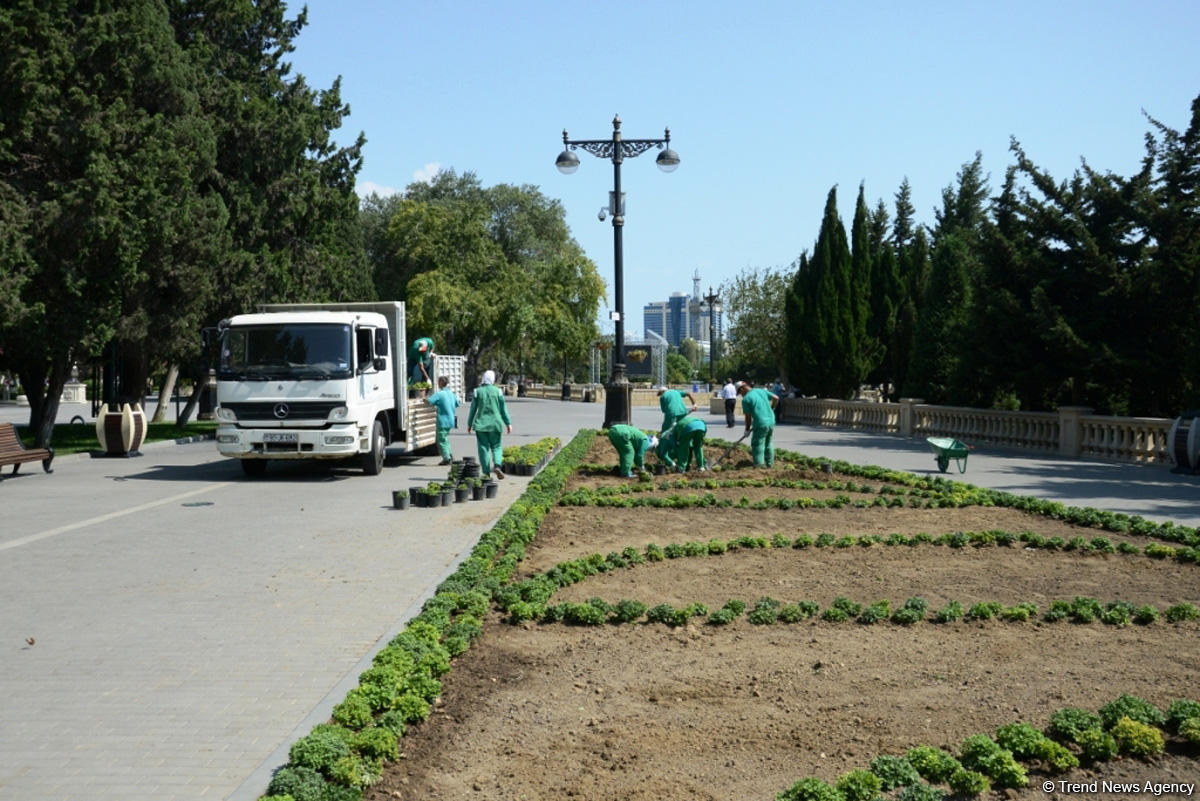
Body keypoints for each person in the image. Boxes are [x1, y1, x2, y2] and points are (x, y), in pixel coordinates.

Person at [467, 369, 512, 479]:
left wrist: (469, 424)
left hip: (481, 425)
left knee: (483, 448)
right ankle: (497, 465)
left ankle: (486, 473)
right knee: (496, 446)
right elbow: (503, 409)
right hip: (495, 424)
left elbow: (473, 409)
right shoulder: (498, 391)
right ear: (493, 379)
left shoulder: (477, 391)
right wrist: (508, 423)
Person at [737, 381, 779, 467]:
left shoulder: (746, 399)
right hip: (771, 420)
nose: (741, 395)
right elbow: (776, 398)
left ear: (742, 388)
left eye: (740, 392)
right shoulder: (761, 391)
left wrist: (747, 430)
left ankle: (759, 466)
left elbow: (748, 417)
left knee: (757, 443)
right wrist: (772, 408)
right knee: (768, 442)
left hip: (760, 423)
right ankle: (769, 464)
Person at [425, 375, 460, 465]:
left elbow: (429, 401)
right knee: (445, 438)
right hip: (451, 419)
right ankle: (449, 455)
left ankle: (446, 458)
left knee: (441, 440)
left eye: (438, 381)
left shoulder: (440, 394)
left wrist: (423, 399)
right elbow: (457, 404)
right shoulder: (451, 394)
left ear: (441, 383)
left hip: (443, 420)